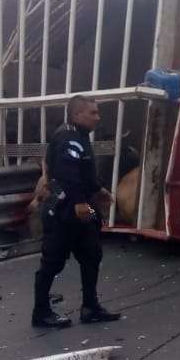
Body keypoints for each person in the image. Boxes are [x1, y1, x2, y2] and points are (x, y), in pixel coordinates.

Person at [31, 95, 121, 328]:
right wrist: (81, 202)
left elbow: (84, 172)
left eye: (97, 112)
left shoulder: (80, 136)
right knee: (52, 260)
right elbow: (67, 174)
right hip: (64, 209)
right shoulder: (69, 138)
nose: (97, 118)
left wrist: (99, 189)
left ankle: (90, 307)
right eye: (93, 113)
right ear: (76, 115)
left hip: (83, 208)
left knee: (92, 252)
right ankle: (41, 313)